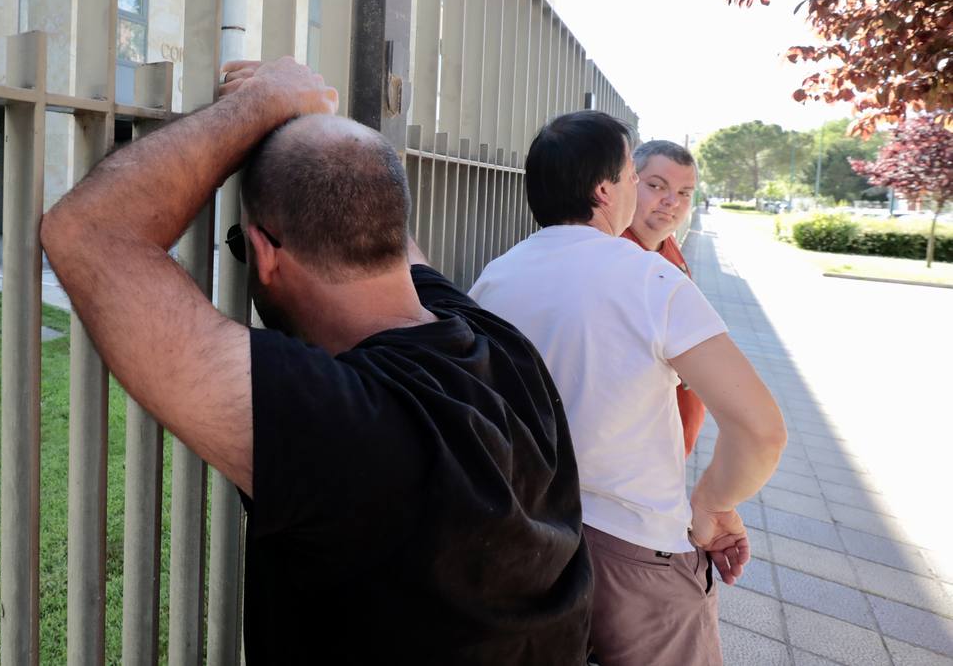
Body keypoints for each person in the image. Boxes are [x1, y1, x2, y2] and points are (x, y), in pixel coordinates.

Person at [41, 56, 593, 664]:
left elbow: (85, 233)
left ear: (262, 253)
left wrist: (258, 107)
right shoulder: (500, 345)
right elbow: (371, 208)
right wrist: (306, 113)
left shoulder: (344, 425)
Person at [468, 111, 786, 666]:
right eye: (634, 175)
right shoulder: (651, 280)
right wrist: (713, 507)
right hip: (635, 549)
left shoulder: (494, 278)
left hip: (525, 536)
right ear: (603, 188)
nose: (642, 189)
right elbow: (760, 430)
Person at [623, 139, 705, 457]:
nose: (672, 201)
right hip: (639, 449)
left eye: (685, 193)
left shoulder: (667, 245)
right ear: (630, 182)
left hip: (674, 441)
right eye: (657, 186)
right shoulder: (614, 253)